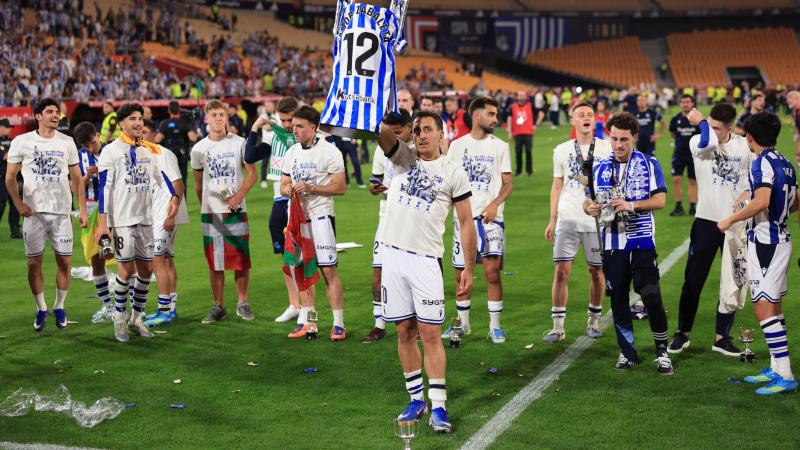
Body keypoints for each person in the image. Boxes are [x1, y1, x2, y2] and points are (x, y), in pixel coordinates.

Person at [376, 110, 475, 433]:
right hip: (392, 255)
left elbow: (465, 222)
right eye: (417, 129)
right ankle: (416, 398)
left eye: (428, 129)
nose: (421, 134)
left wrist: (468, 267)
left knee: (430, 334)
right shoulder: (403, 158)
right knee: (404, 331)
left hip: (425, 260)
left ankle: (440, 406)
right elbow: (382, 133)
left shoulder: (452, 171)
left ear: (441, 134)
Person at [583, 112, 674, 375]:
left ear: (634, 137)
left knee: (651, 296)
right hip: (612, 244)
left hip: (641, 241)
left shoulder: (649, 163)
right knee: (619, 299)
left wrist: (631, 205)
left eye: (624, 139)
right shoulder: (600, 167)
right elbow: (588, 199)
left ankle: (662, 352)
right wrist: (589, 207)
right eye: (614, 139)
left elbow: (660, 200)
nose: (619, 145)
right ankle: (627, 352)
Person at [718, 112, 798, 395]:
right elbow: (795, 200)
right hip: (779, 239)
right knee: (773, 305)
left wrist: (731, 219)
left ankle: (786, 375)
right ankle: (777, 367)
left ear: (750, 137)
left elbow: (763, 200)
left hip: (766, 242)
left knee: (763, 307)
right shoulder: (784, 162)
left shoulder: (761, 162)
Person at [668, 104, 753, 357]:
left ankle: (721, 337)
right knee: (693, 281)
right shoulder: (699, 140)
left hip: (736, 222)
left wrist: (745, 200)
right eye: (711, 125)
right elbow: (707, 141)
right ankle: (682, 333)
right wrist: (702, 122)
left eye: (718, 127)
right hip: (706, 222)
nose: (713, 131)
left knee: (734, 281)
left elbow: (753, 181)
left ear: (730, 127)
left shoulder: (743, 146)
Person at [95, 103, 179, 342]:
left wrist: (172, 196)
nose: (139, 122)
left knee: (147, 270)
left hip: (145, 218)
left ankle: (136, 319)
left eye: (140, 118)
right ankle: (119, 317)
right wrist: (103, 223)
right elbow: (104, 187)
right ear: (121, 123)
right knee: (126, 269)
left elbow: (160, 177)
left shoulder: (146, 151)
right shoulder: (111, 151)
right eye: (132, 118)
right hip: (122, 220)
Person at [6, 98, 87, 332]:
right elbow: (11, 177)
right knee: (33, 264)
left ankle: (59, 306)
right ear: (38, 116)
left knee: (65, 261)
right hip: (34, 214)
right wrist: (18, 203)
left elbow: (77, 179)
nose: (56, 115)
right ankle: (41, 308)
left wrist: (81, 210)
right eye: (50, 111)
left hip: (61, 213)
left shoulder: (68, 142)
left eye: (57, 112)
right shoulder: (22, 142)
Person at [444, 97, 512, 344]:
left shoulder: (500, 146)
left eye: (496, 114)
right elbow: (448, 182)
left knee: (492, 273)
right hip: (462, 219)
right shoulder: (456, 146)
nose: (496, 119)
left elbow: (508, 183)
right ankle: (463, 324)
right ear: (476, 116)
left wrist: (495, 204)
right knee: (460, 273)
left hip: (491, 219)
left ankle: (495, 326)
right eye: (491, 114)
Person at [544, 102, 611, 343]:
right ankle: (558, 327)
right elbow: (557, 185)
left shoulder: (606, 148)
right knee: (561, 271)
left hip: (595, 221)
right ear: (573, 121)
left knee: (596, 271)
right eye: (580, 115)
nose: (585, 118)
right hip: (567, 219)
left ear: (595, 121)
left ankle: (593, 321)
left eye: (589, 115)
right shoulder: (561, 150)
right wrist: (552, 219)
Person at [280, 106, 348, 340]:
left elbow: (340, 187)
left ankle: (338, 324)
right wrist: (287, 188)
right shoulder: (291, 152)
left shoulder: (330, 151)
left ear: (313, 127)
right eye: (293, 125)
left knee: (328, 269)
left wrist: (311, 187)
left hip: (320, 217)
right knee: (302, 270)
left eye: (299, 126)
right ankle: (310, 322)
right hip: (297, 219)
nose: (294, 129)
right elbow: (283, 184)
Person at [243, 97, 312, 324]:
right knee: (285, 256)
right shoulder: (276, 136)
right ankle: (294, 304)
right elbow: (250, 156)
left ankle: (307, 308)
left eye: (289, 119)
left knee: (300, 257)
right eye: (282, 120)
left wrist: (272, 124)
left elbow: (289, 137)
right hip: (278, 199)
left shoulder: (302, 137)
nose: (286, 124)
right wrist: (255, 127)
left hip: (298, 200)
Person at [190, 99, 257, 324]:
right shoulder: (198, 149)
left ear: (226, 117)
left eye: (222, 114)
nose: (219, 118)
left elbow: (252, 174)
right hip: (211, 213)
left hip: (236, 209)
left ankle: (242, 302)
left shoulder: (240, 143)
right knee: (215, 262)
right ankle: (218, 305)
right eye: (214, 115)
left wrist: (239, 196)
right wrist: (205, 206)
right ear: (206, 118)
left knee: (240, 259)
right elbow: (198, 184)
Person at [362, 110, 413, 343]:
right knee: (378, 273)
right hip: (386, 218)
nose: (392, 137)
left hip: (411, 222)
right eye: (389, 132)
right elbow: (376, 179)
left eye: (398, 132)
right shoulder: (381, 148)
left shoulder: (417, 152)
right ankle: (379, 324)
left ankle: (417, 325)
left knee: (411, 275)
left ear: (410, 128)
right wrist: (375, 188)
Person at [142, 120, 189, 326]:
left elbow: (178, 184)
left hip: (166, 215)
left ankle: (163, 310)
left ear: (155, 134)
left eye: (144, 132)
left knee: (156, 261)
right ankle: (171, 307)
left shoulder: (163, 154)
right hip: (157, 215)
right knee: (167, 260)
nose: (140, 135)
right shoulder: (143, 155)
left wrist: (172, 214)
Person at [73, 122, 115, 323]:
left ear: (98, 135)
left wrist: (105, 171)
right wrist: (87, 176)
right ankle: (107, 306)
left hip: (115, 208)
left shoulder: (114, 149)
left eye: (92, 142)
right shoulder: (79, 156)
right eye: (86, 146)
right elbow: (77, 185)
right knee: (96, 258)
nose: (91, 148)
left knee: (126, 257)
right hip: (91, 209)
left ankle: (130, 308)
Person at [668, 94, 701, 216]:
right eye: (683, 102)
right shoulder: (675, 119)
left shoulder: (697, 120)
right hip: (678, 155)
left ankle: (693, 207)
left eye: (687, 101)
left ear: (692, 103)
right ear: (680, 104)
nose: (685, 104)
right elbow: (672, 134)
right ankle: (678, 206)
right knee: (676, 180)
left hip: (694, 155)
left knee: (692, 181)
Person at [155, 100, 198, 182]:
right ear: (179, 109)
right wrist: (193, 124)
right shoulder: (185, 123)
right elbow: (193, 138)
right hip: (182, 153)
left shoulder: (164, 123)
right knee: (182, 178)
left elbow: (157, 139)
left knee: (170, 179)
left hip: (169, 153)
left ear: (168, 110)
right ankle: (183, 195)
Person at [508, 91, 543, 177]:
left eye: (523, 95)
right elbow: (509, 119)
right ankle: (518, 172)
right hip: (517, 133)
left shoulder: (530, 106)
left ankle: (529, 171)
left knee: (528, 152)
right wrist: (509, 132)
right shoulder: (513, 107)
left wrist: (536, 124)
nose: (522, 97)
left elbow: (541, 113)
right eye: (520, 95)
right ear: (517, 97)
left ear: (525, 97)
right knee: (518, 153)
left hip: (528, 133)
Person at [0, 118, 22, 238]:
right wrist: (16, 152)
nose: (10, 130)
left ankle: (15, 231)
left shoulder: (12, 141)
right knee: (1, 205)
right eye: (8, 127)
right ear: (1, 128)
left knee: (15, 204)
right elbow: (4, 157)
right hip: (1, 179)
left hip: (13, 178)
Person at [783, 90, 800, 166]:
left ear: (797, 98)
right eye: (787, 98)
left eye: (790, 97)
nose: (788, 100)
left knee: (798, 154)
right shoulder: (796, 112)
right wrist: (796, 133)